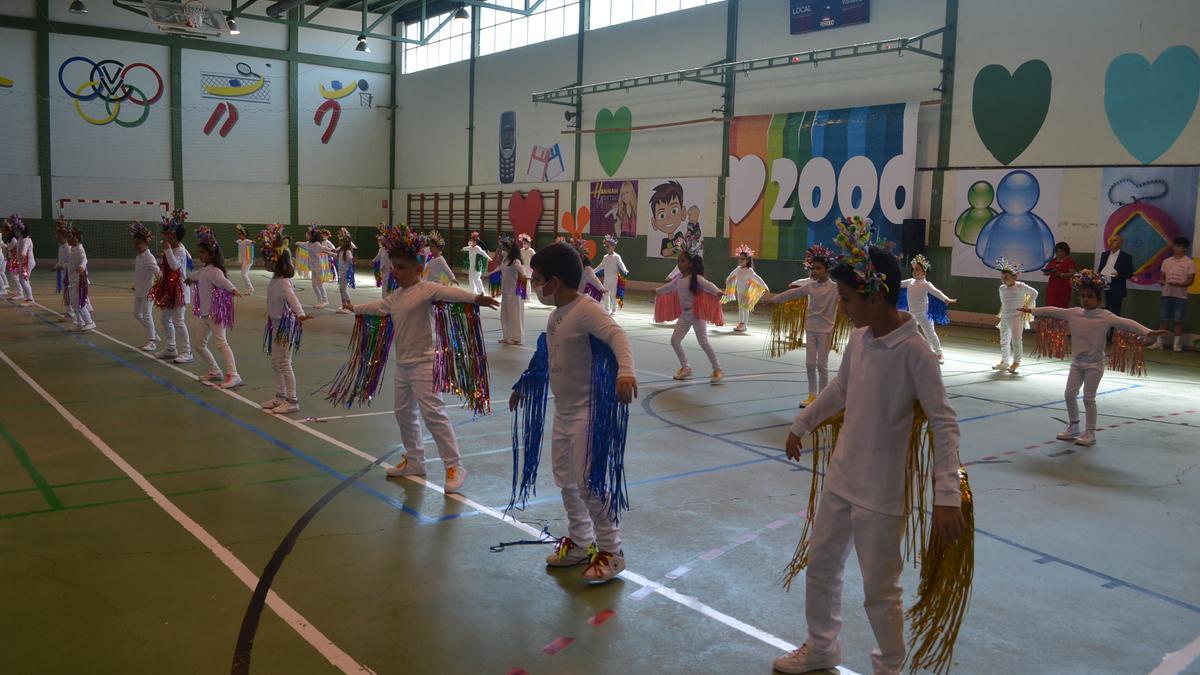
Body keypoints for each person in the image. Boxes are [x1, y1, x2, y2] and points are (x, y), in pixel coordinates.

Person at [774, 223, 965, 675]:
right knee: (821, 568)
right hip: (841, 480)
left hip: (880, 497)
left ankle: (889, 668)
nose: (840, 307)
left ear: (875, 297)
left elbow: (944, 422)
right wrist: (801, 424)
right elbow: (839, 390)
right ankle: (822, 648)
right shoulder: (860, 339)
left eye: (846, 299)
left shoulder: (915, 352)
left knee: (881, 591)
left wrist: (947, 495)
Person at [509, 242, 638, 582]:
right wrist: (525, 385)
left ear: (555, 281)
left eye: (537, 279)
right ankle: (581, 542)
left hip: (589, 412)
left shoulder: (587, 309)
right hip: (564, 411)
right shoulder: (556, 316)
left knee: (588, 482)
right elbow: (547, 356)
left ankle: (612, 550)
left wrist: (626, 371)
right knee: (565, 479)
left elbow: (618, 336)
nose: (534, 284)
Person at [343, 227, 500, 493]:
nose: (396, 272)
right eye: (394, 267)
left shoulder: (426, 290)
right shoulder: (396, 298)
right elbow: (377, 309)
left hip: (425, 364)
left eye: (401, 268)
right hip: (403, 366)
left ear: (418, 269)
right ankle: (415, 460)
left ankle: (454, 465)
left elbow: (451, 294)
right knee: (403, 413)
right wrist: (356, 308)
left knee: (434, 415)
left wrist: (476, 298)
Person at [1023, 270, 1165, 446]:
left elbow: (1127, 323)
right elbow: (1054, 311)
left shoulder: (1105, 316)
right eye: (1083, 296)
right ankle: (1074, 427)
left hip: (1094, 365)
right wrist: (1032, 310)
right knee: (1069, 394)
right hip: (1076, 364)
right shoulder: (1074, 313)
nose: (1085, 300)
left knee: (1088, 398)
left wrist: (1148, 332)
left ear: (1099, 299)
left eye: (1090, 296)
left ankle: (1090, 432)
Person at [768, 244, 840, 406]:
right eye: (813, 268)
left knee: (822, 365)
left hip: (825, 331)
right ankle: (812, 395)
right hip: (811, 329)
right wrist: (774, 300)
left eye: (818, 268)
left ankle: (823, 397)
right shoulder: (811, 286)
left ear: (828, 270)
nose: (814, 271)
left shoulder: (836, 288)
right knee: (809, 364)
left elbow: (852, 295)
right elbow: (793, 293)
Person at [655, 236, 724, 383]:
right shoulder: (679, 279)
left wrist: (717, 292)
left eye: (682, 261)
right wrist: (657, 291)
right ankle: (686, 367)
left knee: (703, 342)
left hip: (697, 315)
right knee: (675, 340)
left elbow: (708, 284)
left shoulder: (696, 279)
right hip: (685, 315)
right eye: (678, 261)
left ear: (691, 264)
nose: (679, 264)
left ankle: (718, 369)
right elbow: (669, 287)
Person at [259, 223, 311, 414]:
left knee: (284, 362)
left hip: (284, 326)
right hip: (274, 324)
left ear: (277, 261)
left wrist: (301, 314)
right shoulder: (274, 280)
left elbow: (293, 299)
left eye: (269, 260)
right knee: (275, 361)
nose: (267, 263)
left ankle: (293, 400)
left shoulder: (283, 283)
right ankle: (280, 396)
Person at [188, 227, 242, 389]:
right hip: (205, 316)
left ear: (211, 255)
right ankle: (215, 370)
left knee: (221, 343)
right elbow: (196, 276)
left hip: (215, 315)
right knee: (199, 344)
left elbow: (225, 283)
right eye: (200, 252)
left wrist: (233, 290)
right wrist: (188, 279)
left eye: (203, 253)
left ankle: (234, 374)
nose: (200, 255)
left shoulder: (215, 271)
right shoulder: (204, 270)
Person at [152, 211, 193, 364]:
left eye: (167, 235)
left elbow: (175, 266)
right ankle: (171, 347)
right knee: (165, 319)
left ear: (174, 237)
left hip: (179, 290)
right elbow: (166, 267)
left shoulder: (180, 250)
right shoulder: (172, 249)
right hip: (169, 289)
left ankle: (186, 351)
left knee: (178, 321)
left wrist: (167, 249)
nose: (164, 237)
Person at [899, 254, 956, 363]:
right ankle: (906, 352)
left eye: (917, 270)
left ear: (924, 273)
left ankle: (939, 354)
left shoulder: (926, 284)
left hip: (924, 315)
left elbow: (936, 292)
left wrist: (946, 299)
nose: (914, 271)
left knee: (930, 334)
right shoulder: (910, 282)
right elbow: (898, 284)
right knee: (906, 332)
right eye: (914, 269)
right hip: (911, 315)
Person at [1150, 237, 1194, 352]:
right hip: (1166, 294)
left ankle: (1176, 344)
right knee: (1163, 319)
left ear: (1184, 248)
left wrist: (1179, 284)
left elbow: (1191, 280)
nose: (1175, 248)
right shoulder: (1166, 261)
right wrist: (1162, 282)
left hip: (1181, 296)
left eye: (1178, 246)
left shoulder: (1189, 262)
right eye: (1175, 245)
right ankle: (1159, 343)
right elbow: (1162, 278)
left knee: (1178, 320)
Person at [995, 259, 1037, 373]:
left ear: (1014, 278)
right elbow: (1003, 302)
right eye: (1002, 278)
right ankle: (1004, 362)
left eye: (1006, 278)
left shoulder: (1021, 286)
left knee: (1016, 341)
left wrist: (1027, 306)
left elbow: (1034, 293)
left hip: (1017, 317)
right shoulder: (1001, 288)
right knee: (1004, 340)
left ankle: (1016, 362)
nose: (1004, 280)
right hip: (1005, 317)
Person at [1095, 234, 1133, 342]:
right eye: (1111, 240)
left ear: (1120, 243)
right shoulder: (1104, 254)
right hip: (1105, 287)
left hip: (1117, 288)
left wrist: (1119, 275)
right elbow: (1100, 269)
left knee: (1115, 312)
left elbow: (1129, 273)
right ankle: (1103, 334)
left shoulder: (1126, 257)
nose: (1112, 242)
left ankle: (1112, 336)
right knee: (1104, 311)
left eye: (1115, 240)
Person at [130, 222, 161, 352]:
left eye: (139, 243)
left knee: (147, 315)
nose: (137, 246)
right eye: (135, 243)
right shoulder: (139, 257)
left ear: (146, 243)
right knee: (137, 314)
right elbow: (139, 274)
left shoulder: (149, 257)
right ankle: (152, 333)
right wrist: (135, 286)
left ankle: (152, 341)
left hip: (148, 291)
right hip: (139, 290)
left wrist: (160, 285)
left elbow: (158, 273)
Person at [724, 244, 768, 333]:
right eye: (739, 258)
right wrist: (728, 280)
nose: (740, 260)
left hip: (746, 293)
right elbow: (731, 275)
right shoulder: (738, 269)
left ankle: (744, 325)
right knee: (740, 308)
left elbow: (758, 278)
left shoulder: (749, 271)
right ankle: (741, 323)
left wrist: (765, 286)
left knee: (745, 308)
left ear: (747, 260)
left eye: (743, 259)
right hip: (739, 292)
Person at [64, 223, 96, 332]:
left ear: (76, 239)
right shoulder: (72, 249)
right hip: (72, 280)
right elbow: (71, 263)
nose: (68, 239)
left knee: (79, 302)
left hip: (79, 281)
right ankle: (80, 322)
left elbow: (84, 259)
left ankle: (89, 322)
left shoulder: (80, 249)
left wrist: (82, 266)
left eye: (70, 237)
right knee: (73, 303)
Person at [498, 235, 527, 345]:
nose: (503, 250)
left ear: (510, 249)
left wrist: (521, 289)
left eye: (505, 248)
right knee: (504, 316)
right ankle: (507, 336)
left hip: (514, 293)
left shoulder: (515, 262)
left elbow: (524, 274)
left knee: (514, 315)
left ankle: (516, 338)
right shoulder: (505, 260)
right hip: (505, 291)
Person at [594, 234, 629, 315]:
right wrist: (593, 271)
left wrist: (624, 270)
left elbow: (621, 264)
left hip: (614, 280)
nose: (607, 248)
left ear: (613, 247)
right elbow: (601, 266)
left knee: (613, 294)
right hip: (606, 279)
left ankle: (614, 308)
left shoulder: (617, 257)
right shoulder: (605, 257)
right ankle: (606, 309)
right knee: (606, 294)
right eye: (606, 246)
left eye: (608, 246)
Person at [305, 224, 336, 309]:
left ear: (312, 236)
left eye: (307, 234)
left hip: (319, 266)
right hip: (313, 267)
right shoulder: (309, 244)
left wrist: (333, 251)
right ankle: (320, 300)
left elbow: (328, 249)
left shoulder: (317, 245)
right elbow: (302, 244)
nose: (306, 235)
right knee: (314, 285)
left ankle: (325, 300)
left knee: (319, 284)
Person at [1041, 241, 1076, 308]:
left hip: (1064, 287)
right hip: (1052, 287)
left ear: (1066, 252)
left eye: (1061, 251)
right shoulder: (1053, 261)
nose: (1059, 253)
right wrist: (1047, 272)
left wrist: (1061, 274)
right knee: (1050, 304)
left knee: (1062, 305)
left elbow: (1073, 274)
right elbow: (1046, 272)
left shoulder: (1069, 261)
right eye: (1058, 251)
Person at [335, 227, 357, 314]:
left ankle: (349, 305)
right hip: (340, 272)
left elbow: (351, 260)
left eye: (342, 241)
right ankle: (344, 304)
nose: (340, 243)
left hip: (345, 273)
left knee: (343, 289)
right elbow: (335, 255)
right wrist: (327, 252)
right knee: (341, 289)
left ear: (345, 243)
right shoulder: (341, 251)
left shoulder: (347, 252)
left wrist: (354, 259)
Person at [235, 225, 255, 295]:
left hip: (248, 261)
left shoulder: (247, 241)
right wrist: (240, 229)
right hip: (245, 261)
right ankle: (250, 289)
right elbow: (238, 241)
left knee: (244, 274)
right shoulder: (240, 241)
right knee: (244, 274)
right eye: (239, 234)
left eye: (240, 234)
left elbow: (251, 242)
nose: (239, 235)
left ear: (244, 235)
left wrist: (252, 242)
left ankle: (250, 289)